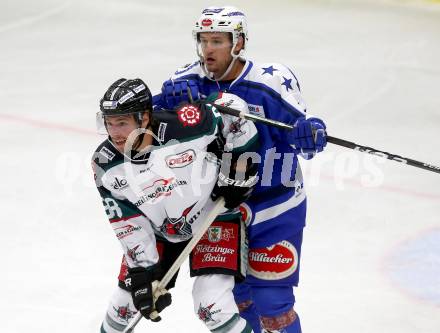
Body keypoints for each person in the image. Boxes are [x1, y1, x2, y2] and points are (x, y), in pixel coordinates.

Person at [154, 6, 327, 333]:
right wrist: (164, 104)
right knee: (236, 299)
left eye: (217, 40)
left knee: (274, 304)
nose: (208, 50)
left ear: (239, 42)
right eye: (203, 40)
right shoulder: (187, 82)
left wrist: (310, 133)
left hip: (274, 205)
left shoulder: (269, 83)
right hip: (220, 209)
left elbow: (303, 140)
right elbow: (147, 125)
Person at [93, 78, 261, 333]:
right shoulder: (105, 165)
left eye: (123, 123)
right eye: (110, 123)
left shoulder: (184, 127)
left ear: (144, 118)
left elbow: (232, 110)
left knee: (211, 305)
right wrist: (143, 272)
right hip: (160, 231)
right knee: (124, 306)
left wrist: (239, 168)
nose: (115, 132)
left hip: (214, 217)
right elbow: (127, 223)